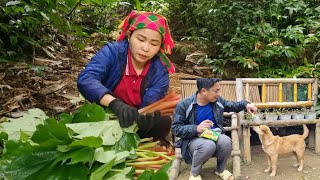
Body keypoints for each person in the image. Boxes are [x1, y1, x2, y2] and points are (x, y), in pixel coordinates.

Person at [77, 10, 175, 141]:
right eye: (141, 39)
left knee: (163, 122)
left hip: (135, 119)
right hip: (107, 112)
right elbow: (86, 79)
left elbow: (153, 100)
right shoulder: (112, 52)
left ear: (160, 46)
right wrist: (115, 104)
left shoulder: (160, 69)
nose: (145, 48)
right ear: (130, 35)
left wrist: (146, 116)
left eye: (154, 43)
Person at [172, 78, 257, 180]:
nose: (219, 94)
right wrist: (196, 128)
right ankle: (194, 173)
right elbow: (176, 128)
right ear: (203, 91)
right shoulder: (184, 105)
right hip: (193, 139)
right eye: (216, 91)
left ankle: (220, 170)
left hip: (214, 135)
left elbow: (232, 105)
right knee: (208, 145)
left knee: (226, 141)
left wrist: (246, 104)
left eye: (219, 90)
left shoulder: (218, 101)